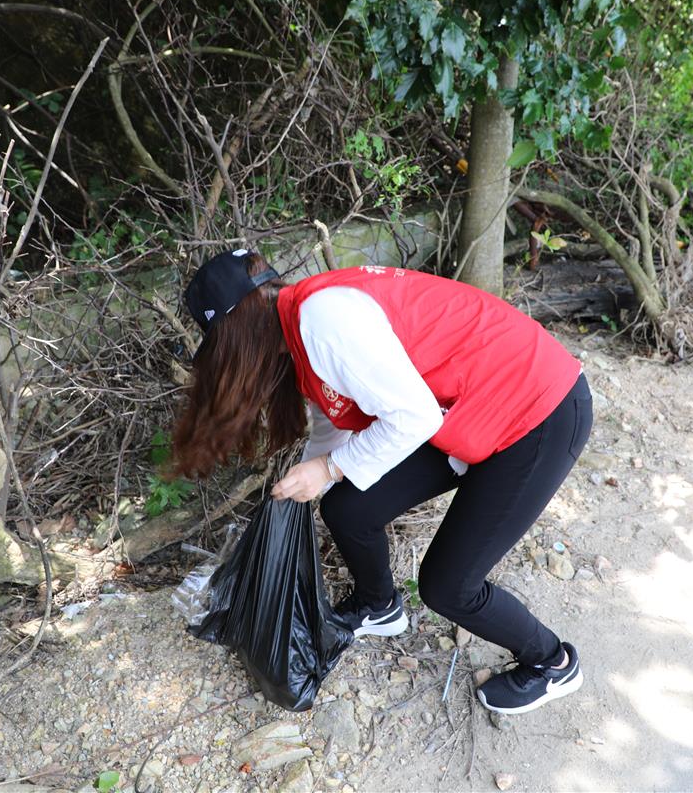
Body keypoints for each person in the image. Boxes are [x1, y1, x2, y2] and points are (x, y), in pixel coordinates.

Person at [172, 250, 593, 715]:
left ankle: (552, 662)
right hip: (466, 411)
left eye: (221, 344)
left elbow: (412, 418)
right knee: (349, 508)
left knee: (448, 587)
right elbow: (334, 421)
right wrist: (307, 482)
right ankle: (379, 605)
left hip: (536, 412)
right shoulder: (299, 327)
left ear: (239, 326)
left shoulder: (323, 321)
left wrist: (329, 469)